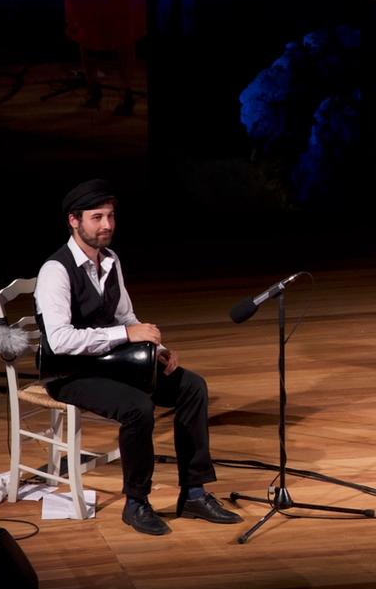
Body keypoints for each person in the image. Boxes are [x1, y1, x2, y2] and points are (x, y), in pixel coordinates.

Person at [35, 180, 242, 535]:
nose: (107, 225)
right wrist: (126, 335)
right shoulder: (55, 271)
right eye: (97, 217)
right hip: (69, 374)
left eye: (111, 216)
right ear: (74, 221)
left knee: (192, 386)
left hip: (113, 363)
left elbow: (127, 317)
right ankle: (136, 502)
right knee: (137, 407)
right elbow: (60, 341)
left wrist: (156, 351)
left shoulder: (111, 261)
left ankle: (193, 492)